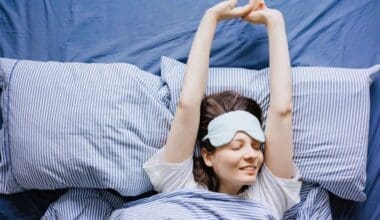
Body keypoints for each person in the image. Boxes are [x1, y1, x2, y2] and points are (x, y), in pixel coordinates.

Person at [143, 0, 302, 219]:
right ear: (208, 156)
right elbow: (187, 105)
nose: (251, 155)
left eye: (257, 146)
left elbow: (282, 111)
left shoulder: (269, 197)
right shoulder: (181, 186)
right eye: (237, 146)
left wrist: (275, 23)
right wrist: (211, 18)